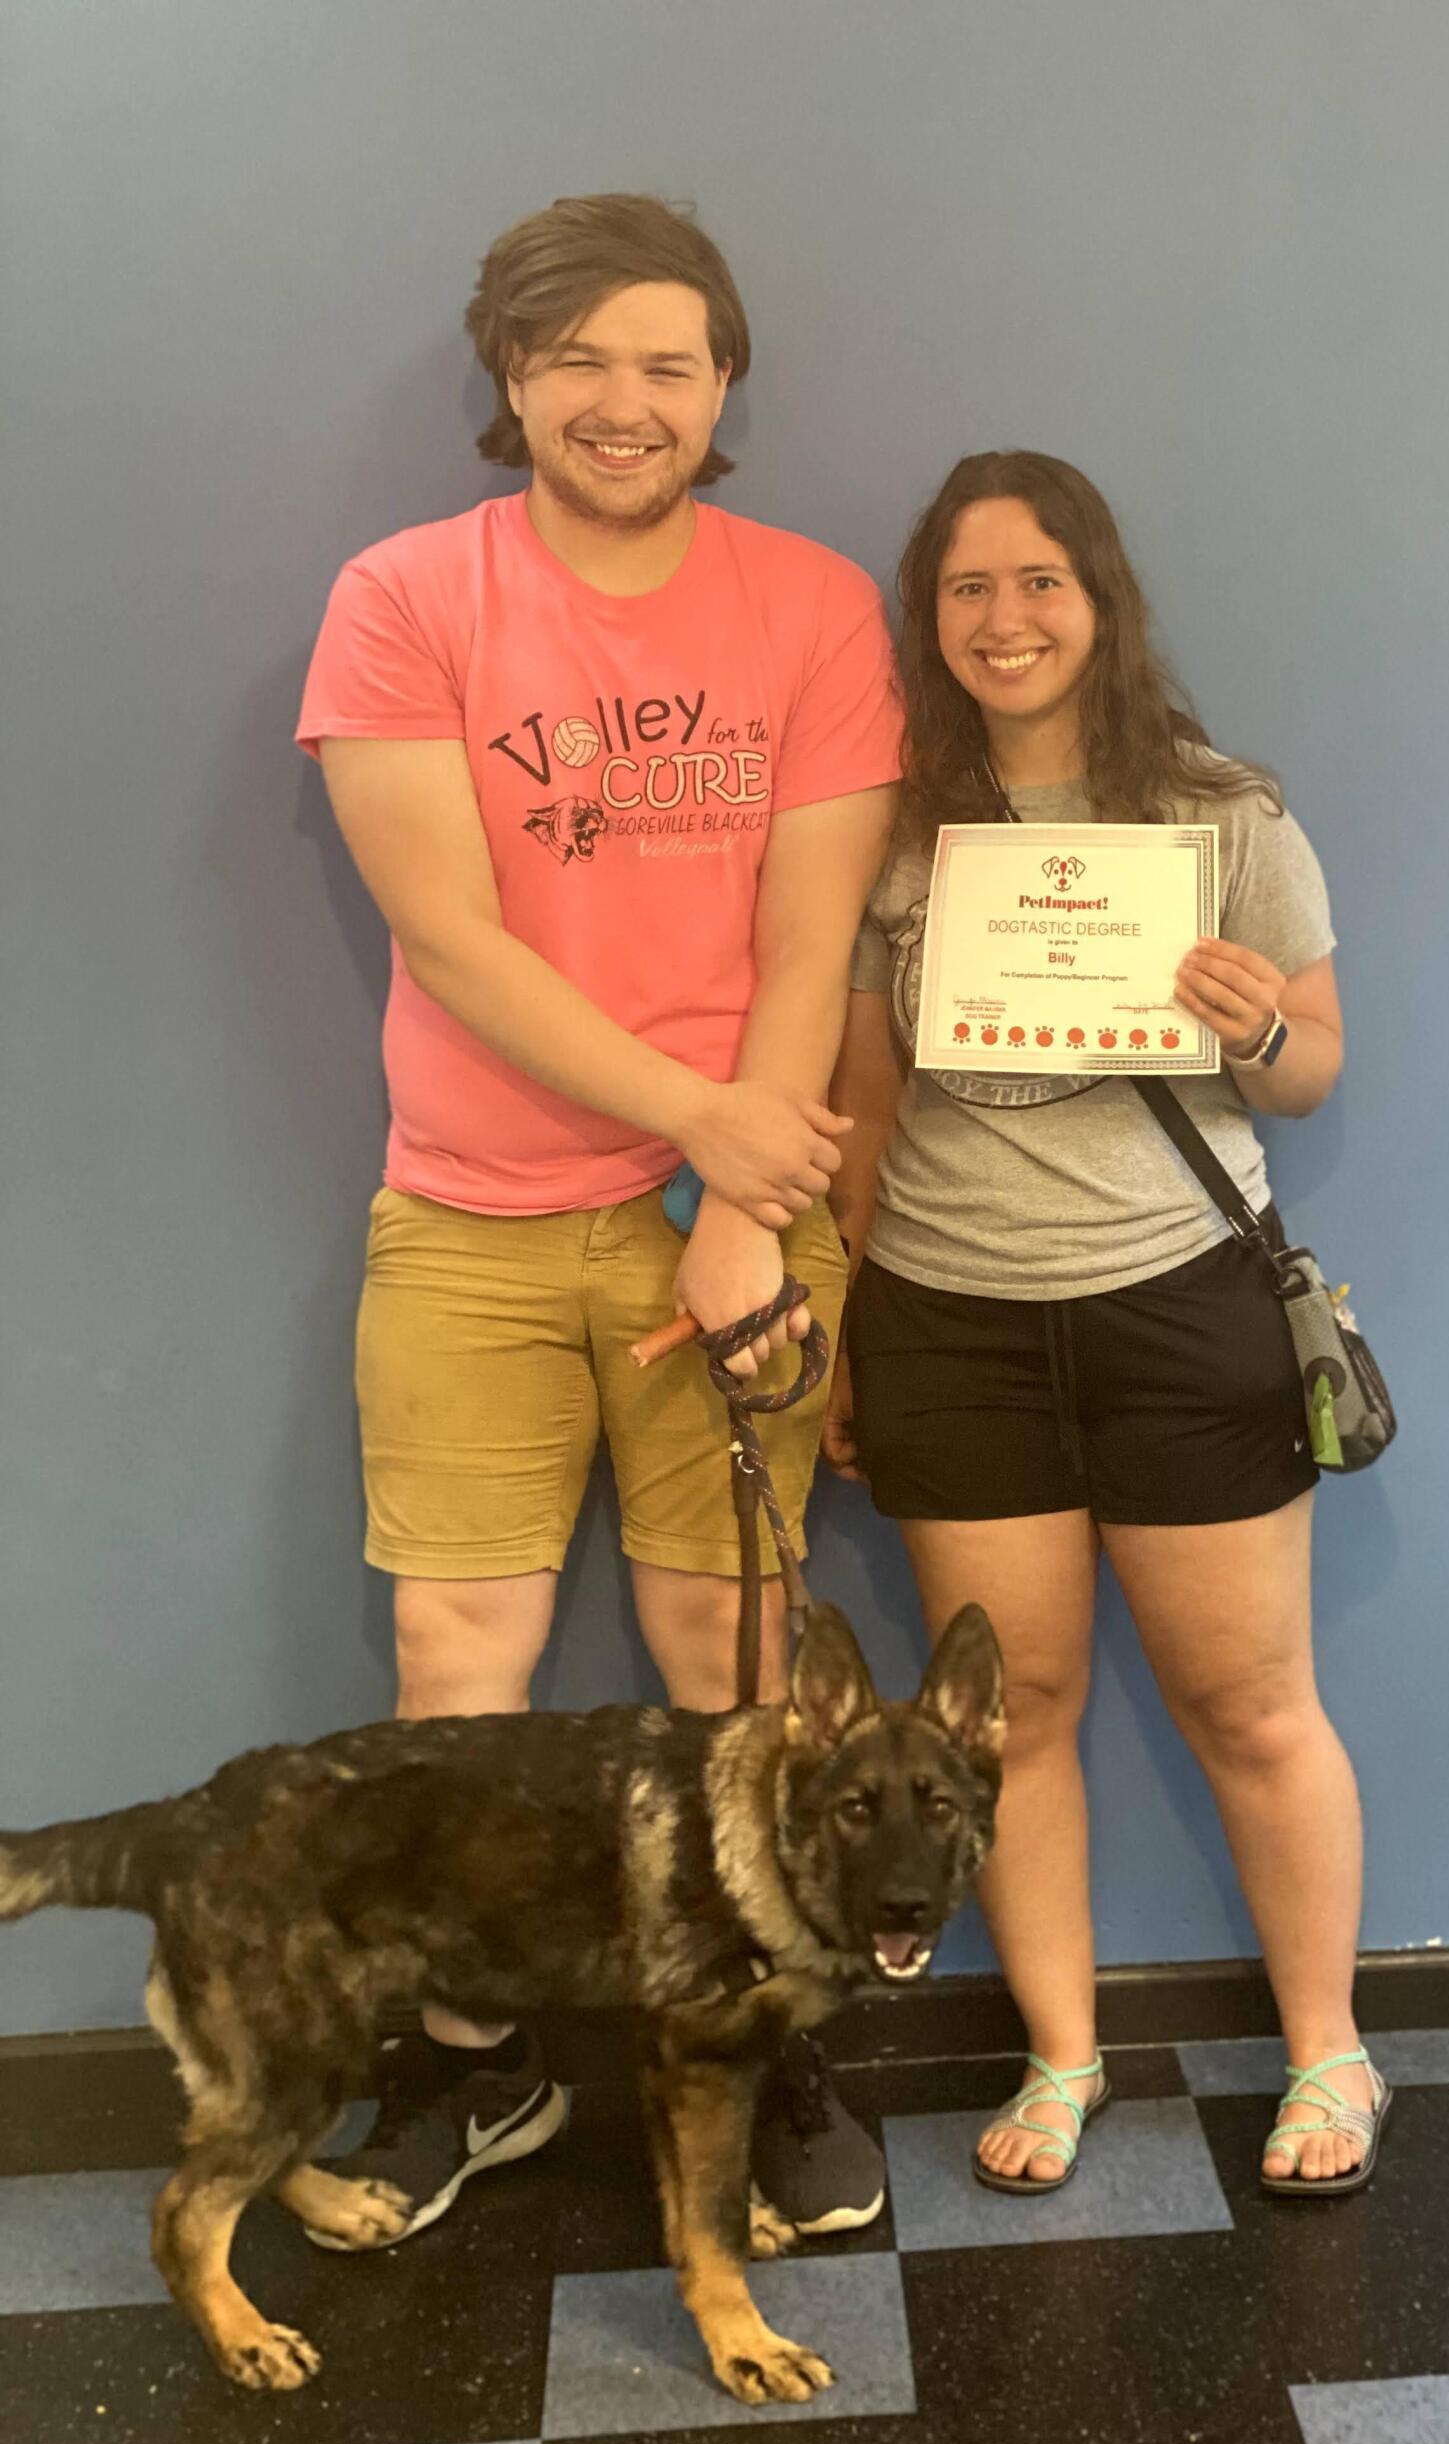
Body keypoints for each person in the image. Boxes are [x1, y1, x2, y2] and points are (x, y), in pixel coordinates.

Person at [295, 193, 899, 2243]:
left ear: (724, 385)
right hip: (465, 1216)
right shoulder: (402, 595)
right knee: (455, 1654)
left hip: (732, 1215)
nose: (623, 400)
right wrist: (710, 1126)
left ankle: (774, 2034)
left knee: (733, 1645)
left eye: (668, 361)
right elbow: (450, 937)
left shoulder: (812, 605)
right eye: (577, 359)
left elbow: (814, 931)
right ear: (511, 379)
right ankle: (480, 2058)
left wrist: (745, 1190)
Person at [826, 452, 1387, 2196]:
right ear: (934, 622)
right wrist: (842, 1319)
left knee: (1253, 1700)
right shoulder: (891, 825)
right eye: (969, 590)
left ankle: (1330, 2058)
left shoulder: (1224, 812)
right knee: (1024, 1708)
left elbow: (1309, 1073)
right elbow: (862, 1092)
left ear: (1101, 599)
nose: (1007, 620)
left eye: (1041, 582)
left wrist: (1245, 1026)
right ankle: (1061, 2059)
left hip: (1185, 1307)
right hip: (950, 1315)